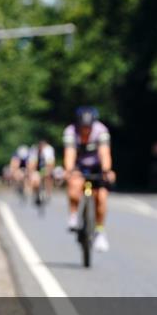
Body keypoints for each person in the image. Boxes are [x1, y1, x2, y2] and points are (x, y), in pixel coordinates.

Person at [63, 106, 115, 252]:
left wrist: (106, 170)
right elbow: (69, 153)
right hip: (79, 165)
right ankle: (73, 216)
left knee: (102, 198)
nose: (85, 130)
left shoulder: (101, 130)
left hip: (97, 166)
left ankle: (99, 231)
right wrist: (69, 171)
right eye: (83, 127)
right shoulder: (70, 131)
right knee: (74, 187)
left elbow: (105, 153)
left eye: (88, 127)